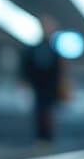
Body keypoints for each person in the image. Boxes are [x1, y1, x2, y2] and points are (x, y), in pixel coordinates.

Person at [21, 15, 66, 146]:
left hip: (52, 88)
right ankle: (41, 139)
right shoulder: (35, 49)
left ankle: (49, 139)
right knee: (40, 112)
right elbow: (26, 65)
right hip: (38, 87)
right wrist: (24, 80)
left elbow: (60, 71)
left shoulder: (56, 50)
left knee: (50, 113)